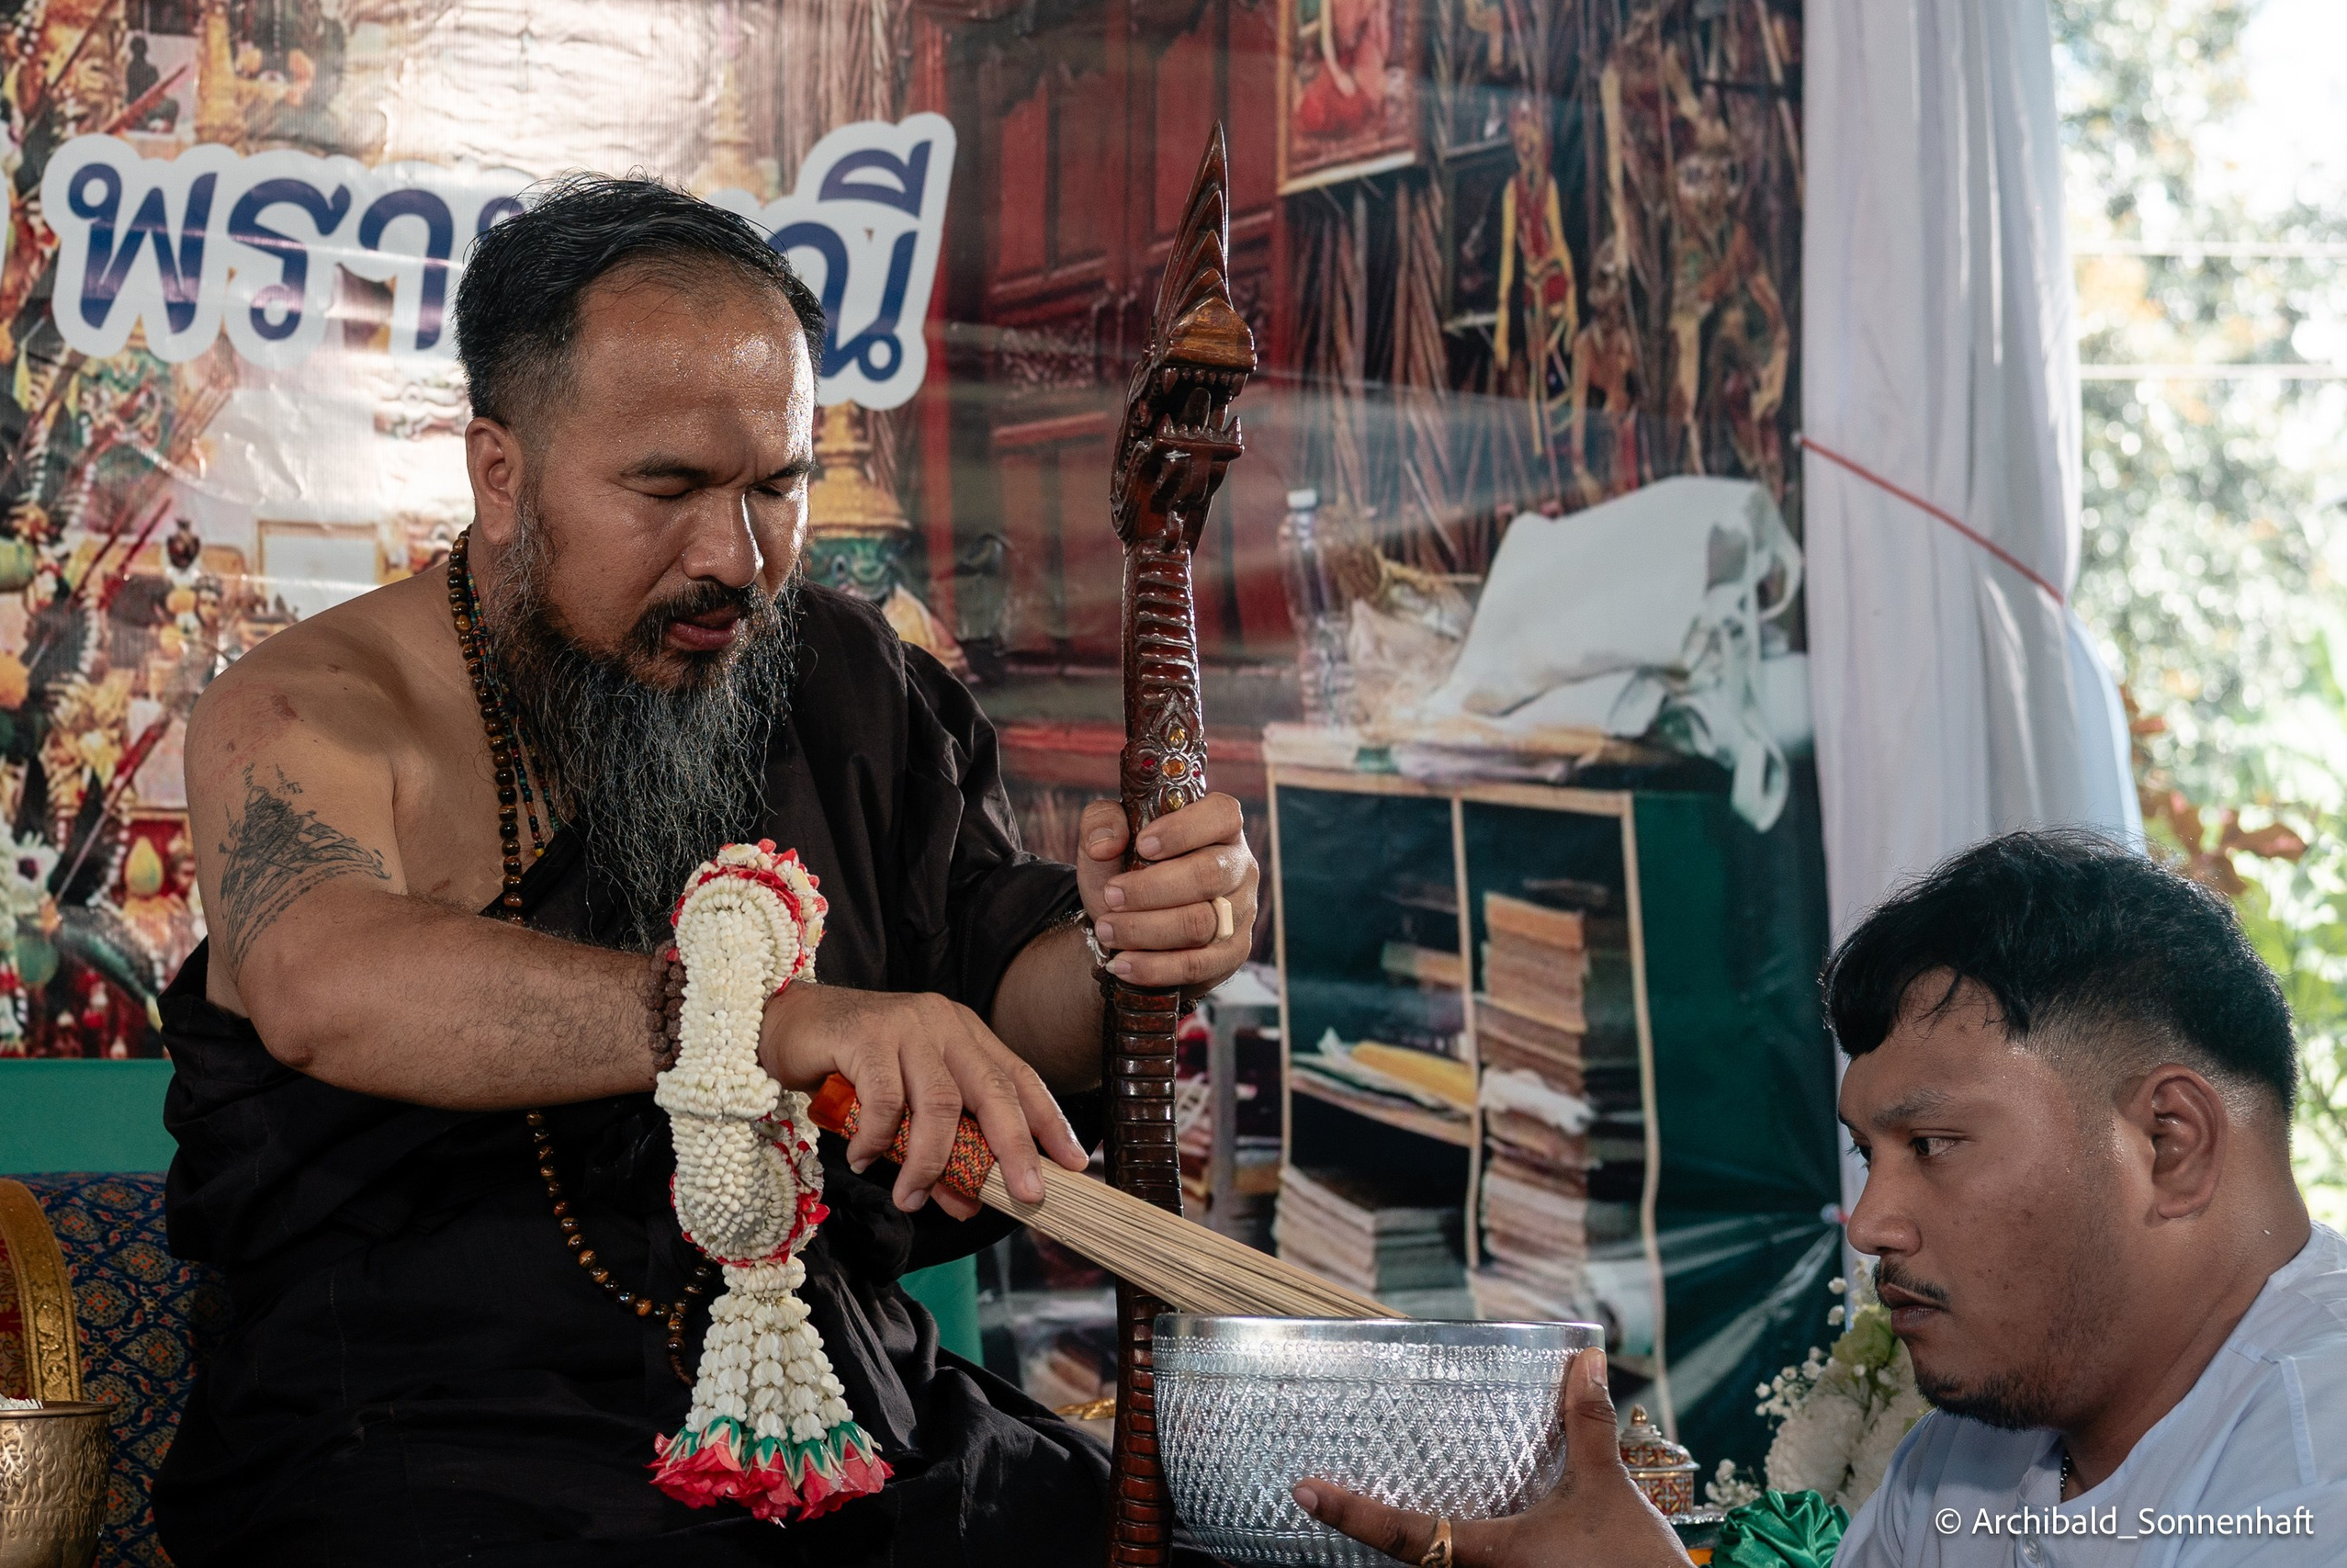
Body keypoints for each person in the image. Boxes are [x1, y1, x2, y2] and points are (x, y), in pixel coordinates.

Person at [154, 175, 1259, 1566]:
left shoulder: (849, 679)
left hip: (837, 1412)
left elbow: (1001, 993)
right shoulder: (306, 707)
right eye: (669, 490)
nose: (736, 559)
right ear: (500, 471)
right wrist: (768, 1021)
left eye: (777, 486)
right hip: (435, 1426)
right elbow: (325, 977)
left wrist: (1128, 942)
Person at [1297, 830, 2342, 1566]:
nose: (1873, 1227)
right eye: (1867, 1154)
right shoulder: (1968, 1453)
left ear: (2167, 1146)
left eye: (1932, 1145)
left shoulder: (2317, 1468)